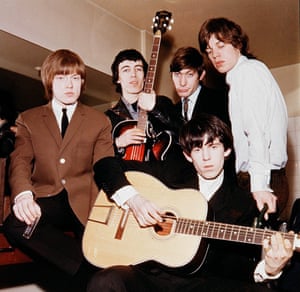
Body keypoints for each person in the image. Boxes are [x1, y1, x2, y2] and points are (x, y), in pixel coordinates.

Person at [88, 114, 293, 291]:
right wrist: (133, 199)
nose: (206, 157)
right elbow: (105, 165)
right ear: (187, 155)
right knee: (106, 281)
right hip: (150, 277)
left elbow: (235, 265)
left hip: (202, 283)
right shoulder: (171, 172)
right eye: (197, 149)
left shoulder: (244, 202)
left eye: (213, 147)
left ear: (227, 150)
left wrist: (269, 269)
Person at [3, 49, 114, 289]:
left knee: (102, 253)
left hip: (88, 201)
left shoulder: (100, 121)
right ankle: (89, 270)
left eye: (75, 78)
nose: (69, 85)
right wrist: (23, 194)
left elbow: (106, 165)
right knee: (16, 224)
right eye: (62, 78)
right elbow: (20, 160)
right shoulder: (28, 119)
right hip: (47, 196)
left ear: (82, 82)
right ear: (49, 80)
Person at [198, 17, 289, 220]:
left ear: (237, 42)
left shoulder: (246, 73)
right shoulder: (247, 73)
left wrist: (259, 186)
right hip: (266, 176)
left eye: (221, 45)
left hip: (263, 178)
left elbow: (257, 132)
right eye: (209, 51)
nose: (215, 55)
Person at [105, 48, 178, 162]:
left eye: (138, 69)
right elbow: (96, 156)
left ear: (145, 76)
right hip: (125, 176)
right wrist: (118, 142)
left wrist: (155, 109)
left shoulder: (163, 103)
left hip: (161, 175)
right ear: (117, 78)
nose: (133, 75)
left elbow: (183, 133)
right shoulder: (107, 118)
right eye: (126, 70)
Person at [170, 46, 230, 126]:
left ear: (201, 75)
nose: (182, 83)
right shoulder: (173, 111)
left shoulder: (221, 100)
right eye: (177, 74)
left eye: (189, 75)